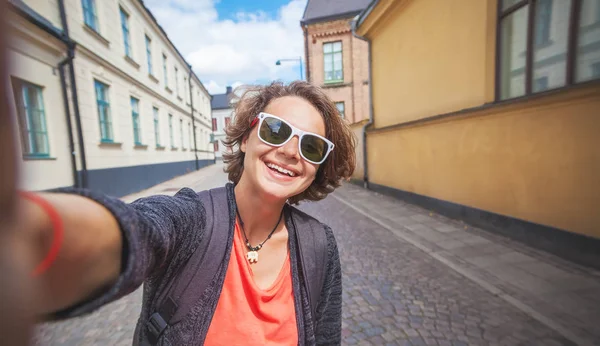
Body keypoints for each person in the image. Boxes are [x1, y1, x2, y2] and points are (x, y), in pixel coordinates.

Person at [19, 80, 356, 345]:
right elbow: (142, 228)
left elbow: (325, 339)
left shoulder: (318, 244)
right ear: (245, 138)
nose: (289, 151)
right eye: (275, 130)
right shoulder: (192, 218)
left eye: (311, 146)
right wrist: (36, 229)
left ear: (318, 166)